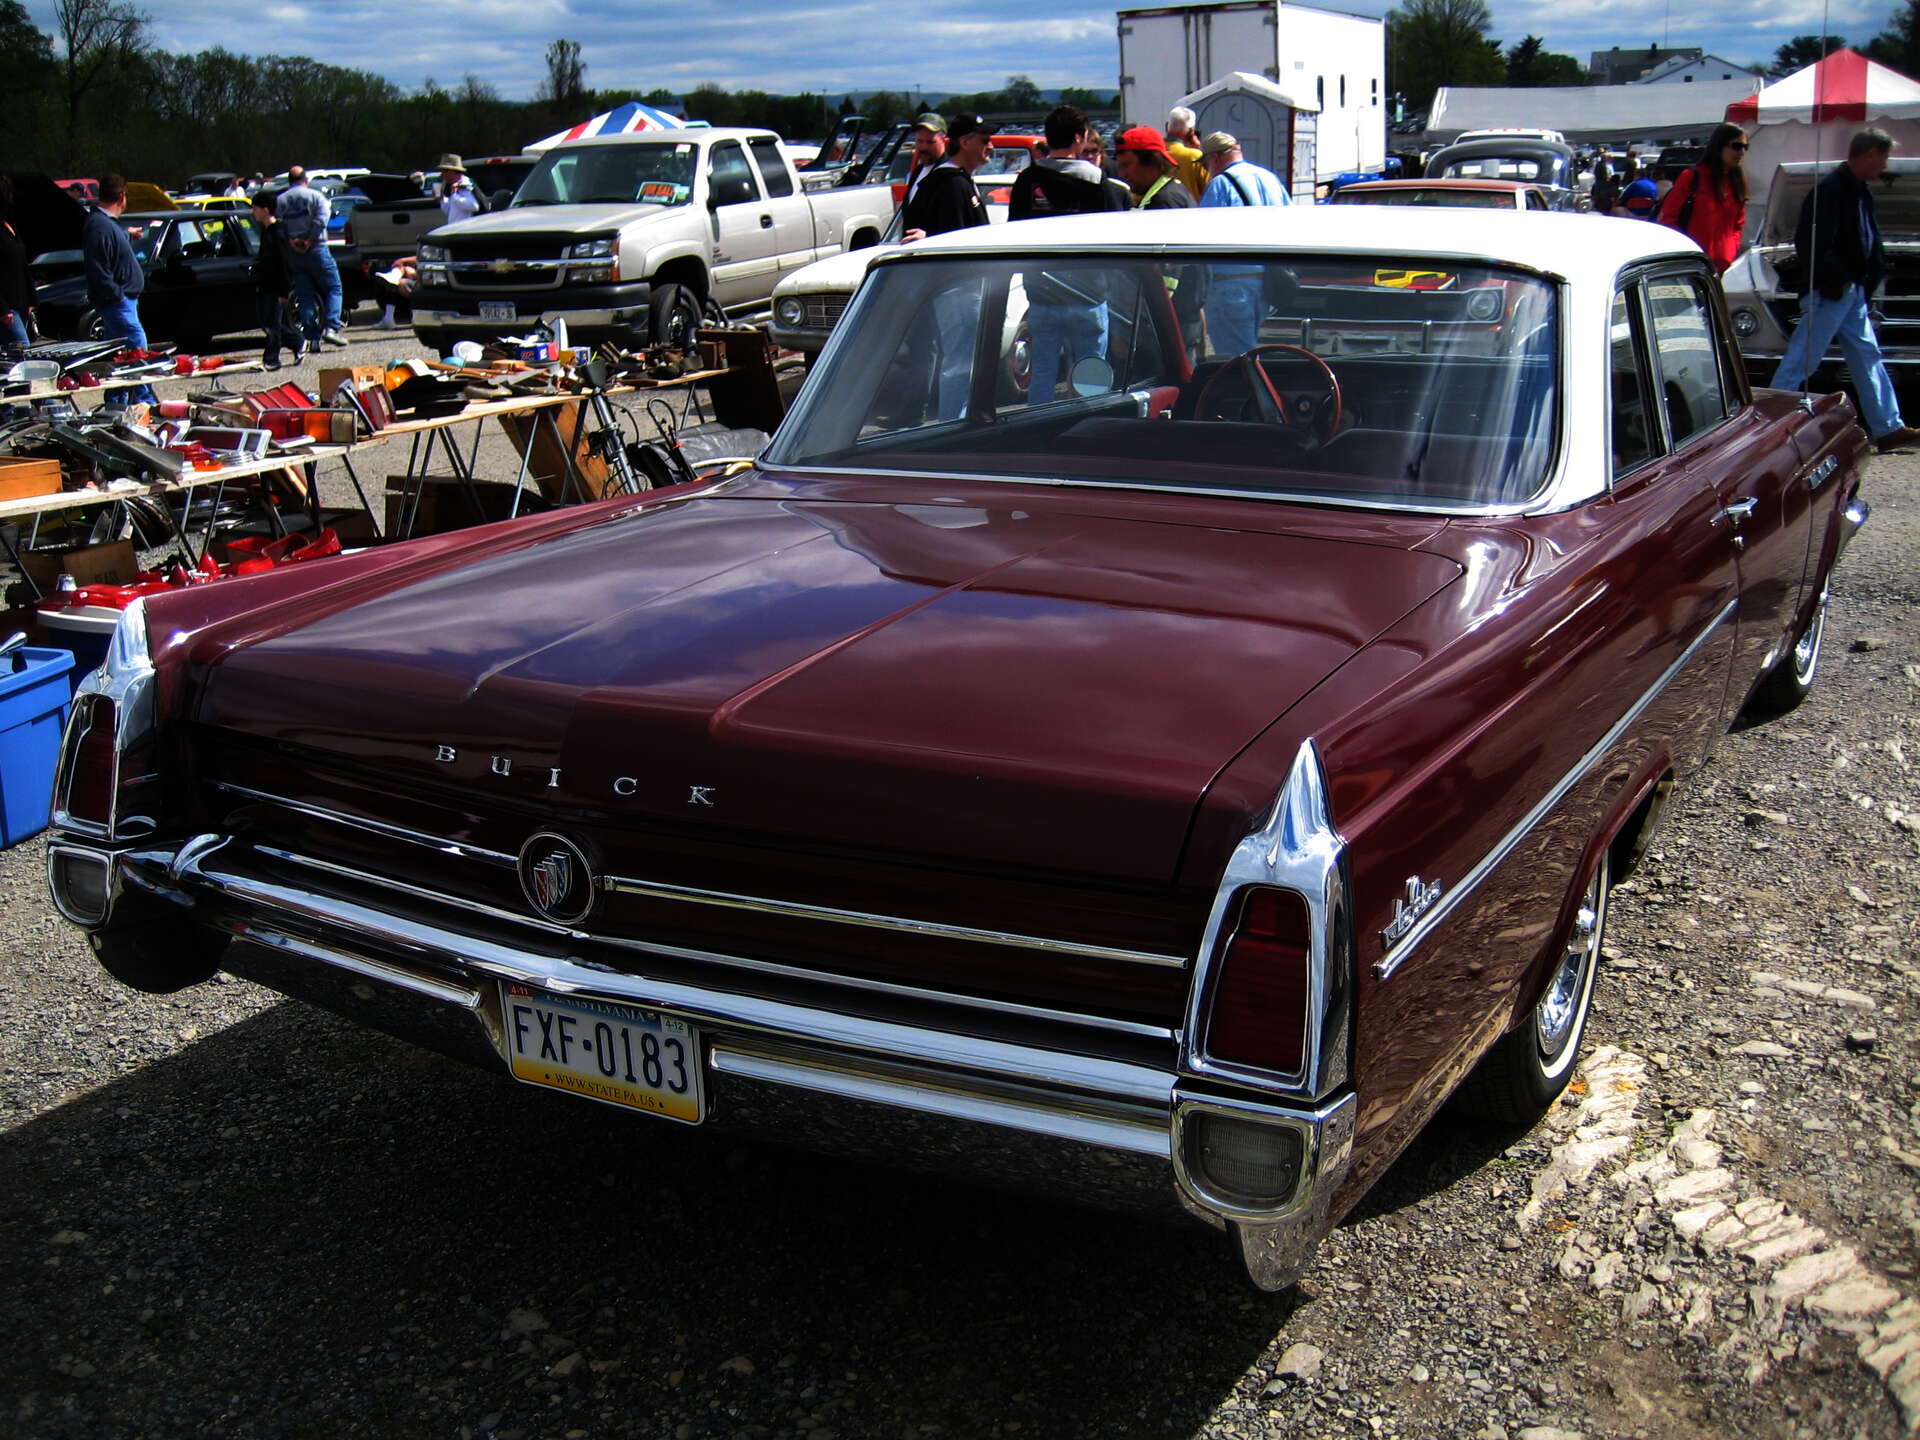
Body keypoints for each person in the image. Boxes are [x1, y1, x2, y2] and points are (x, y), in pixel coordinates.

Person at [1770, 129, 1920, 453]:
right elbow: (1811, 242)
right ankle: (1770, 425)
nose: (1884, 166)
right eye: (1883, 158)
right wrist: (1837, 279)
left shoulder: (1855, 190)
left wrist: (1864, 278)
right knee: (1803, 360)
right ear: (1870, 154)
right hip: (1832, 292)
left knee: (1867, 357)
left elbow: (1866, 238)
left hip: (1850, 292)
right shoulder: (1831, 191)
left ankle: (1888, 427)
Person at [1010, 107, 1129, 404]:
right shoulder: (1098, 182)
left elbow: (1013, 233)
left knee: (1043, 371)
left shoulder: (1028, 180)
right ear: (1078, 137)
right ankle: (1089, 421)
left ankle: (1038, 424)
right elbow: (1116, 236)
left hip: (1042, 292)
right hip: (1089, 294)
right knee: (1091, 373)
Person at [1197, 132, 1290, 357]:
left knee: (1237, 362)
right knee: (1252, 353)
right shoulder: (1270, 178)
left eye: (1205, 164)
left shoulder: (1220, 184)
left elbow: (1203, 234)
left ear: (1215, 158)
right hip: (1265, 284)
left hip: (1230, 285)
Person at [81, 174, 155, 404]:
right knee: (138, 347)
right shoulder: (99, 226)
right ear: (122, 197)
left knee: (119, 357)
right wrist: (117, 296)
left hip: (122, 301)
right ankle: (146, 400)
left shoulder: (106, 224)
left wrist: (126, 234)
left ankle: (116, 402)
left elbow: (109, 244)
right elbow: (98, 268)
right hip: (118, 302)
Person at [1655, 123, 1749, 272]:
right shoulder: (1692, 177)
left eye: (1745, 147)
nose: (1742, 152)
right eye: (1736, 146)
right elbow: (1667, 219)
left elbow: (1738, 224)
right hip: (1691, 267)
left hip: (1723, 268)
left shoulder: (1737, 182)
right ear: (1719, 146)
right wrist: (1686, 254)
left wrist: (1731, 250)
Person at [1009, 105, 1129, 221]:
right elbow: (1112, 220)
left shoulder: (1027, 178)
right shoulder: (1094, 178)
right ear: (1078, 138)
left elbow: (1014, 222)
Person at [277, 165, 348, 349]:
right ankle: (331, 327)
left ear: (289, 181)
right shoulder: (316, 196)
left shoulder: (281, 200)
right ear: (305, 179)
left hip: (295, 252)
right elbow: (322, 218)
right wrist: (309, 239)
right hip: (317, 248)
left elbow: (279, 225)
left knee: (304, 295)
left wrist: (292, 241)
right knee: (334, 288)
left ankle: (312, 337)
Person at [900, 113, 988, 241]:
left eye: (930, 142)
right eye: (920, 141)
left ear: (944, 140)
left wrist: (928, 235)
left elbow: (956, 226)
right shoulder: (918, 171)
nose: (923, 147)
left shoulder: (950, 176)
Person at [249, 189, 299, 370]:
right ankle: (297, 342)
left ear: (265, 209)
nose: (253, 212)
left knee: (273, 324)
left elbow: (285, 263)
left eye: (255, 208)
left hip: (276, 286)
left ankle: (271, 359)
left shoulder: (279, 231)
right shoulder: (266, 231)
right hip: (264, 284)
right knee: (266, 322)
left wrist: (284, 290)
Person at [1113, 126, 1194, 210]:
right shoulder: (1171, 191)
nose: (1121, 174)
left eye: (1126, 165)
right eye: (1120, 166)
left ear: (1151, 161)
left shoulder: (1163, 202)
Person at [0, 176, 35, 348]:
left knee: (13, 352)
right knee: (22, 347)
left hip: (21, 302)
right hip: (7, 305)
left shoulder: (10, 225)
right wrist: (2, 309)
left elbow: (22, 264)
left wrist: (31, 298)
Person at [1165, 106, 1209, 200]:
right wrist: (1198, 150)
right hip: (1189, 208)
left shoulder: (1155, 152)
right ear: (1191, 132)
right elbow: (1209, 190)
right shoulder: (1195, 157)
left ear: (1166, 127)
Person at [436, 154, 481, 225]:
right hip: (455, 228)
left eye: (444, 171)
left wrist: (454, 195)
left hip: (465, 228)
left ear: (451, 171)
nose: (442, 174)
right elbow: (450, 210)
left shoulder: (465, 184)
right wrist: (441, 199)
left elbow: (474, 206)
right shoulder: (455, 185)